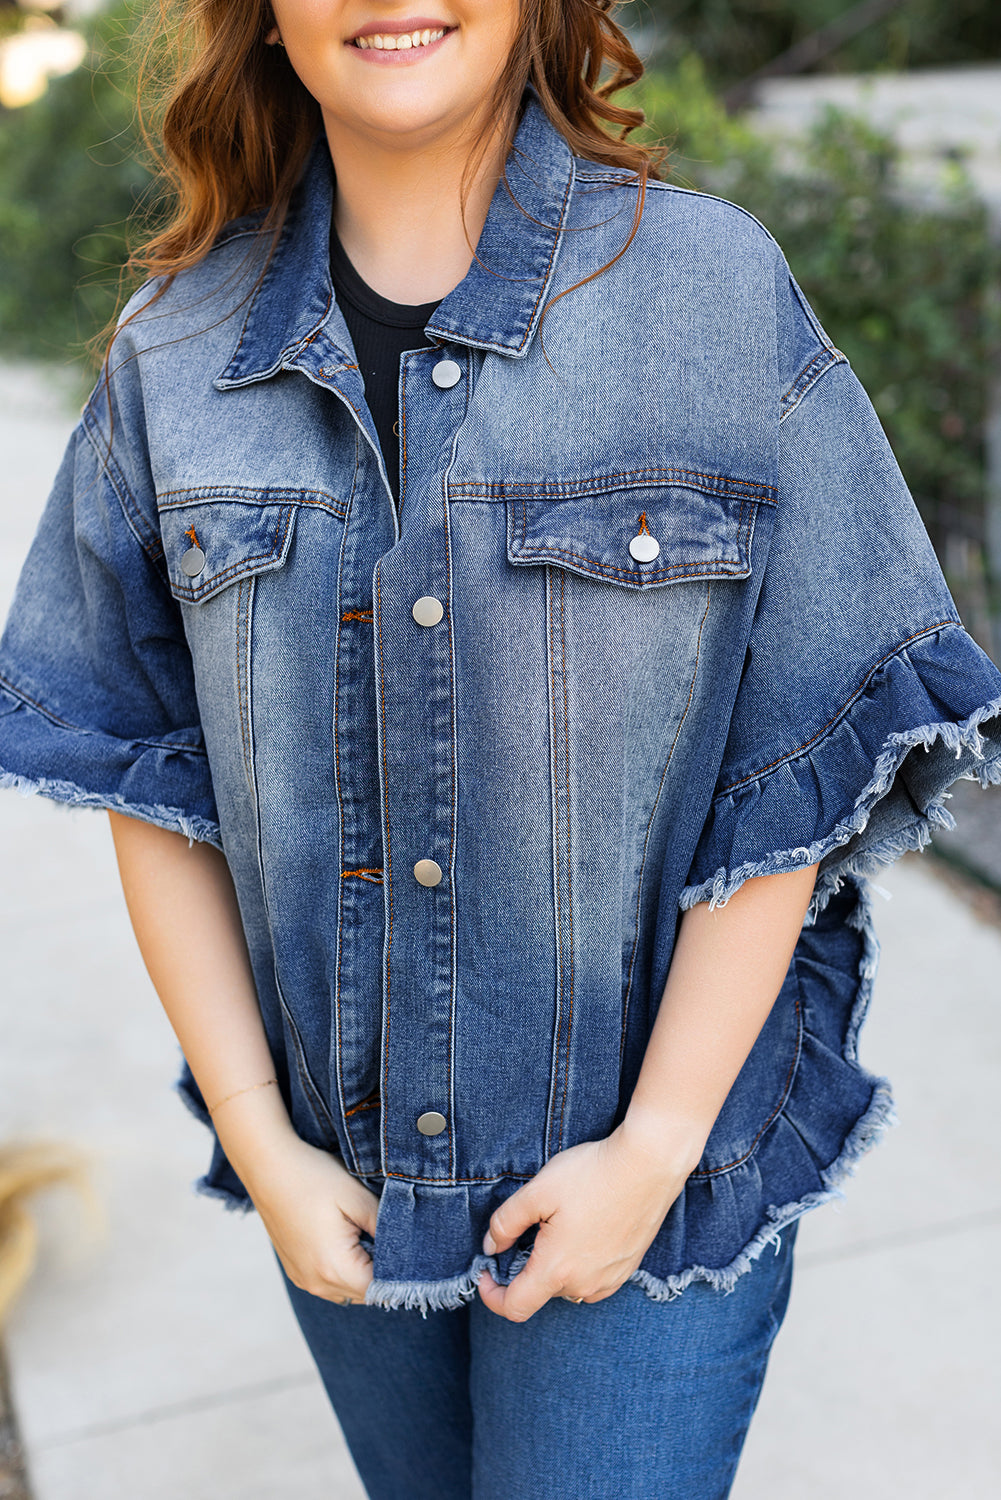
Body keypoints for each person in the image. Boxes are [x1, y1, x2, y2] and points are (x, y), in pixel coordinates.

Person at [2, 2, 1000, 1496]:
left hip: (660, 1192)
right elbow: (152, 782)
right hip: (345, 1177)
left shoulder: (709, 296)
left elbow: (783, 772)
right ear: (264, 18)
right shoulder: (175, 354)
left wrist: (654, 1147)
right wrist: (263, 1141)